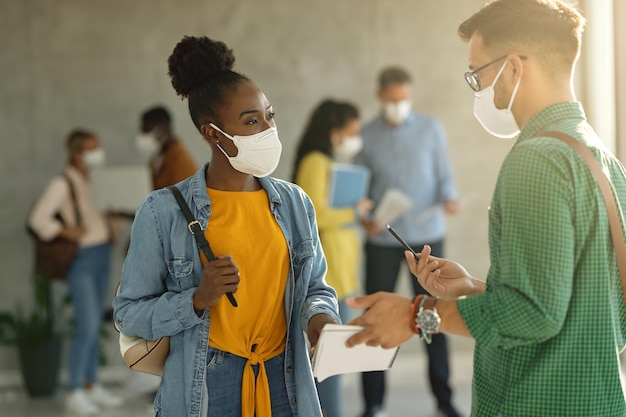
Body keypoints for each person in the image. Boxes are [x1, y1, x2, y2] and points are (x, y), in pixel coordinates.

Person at [346, 1, 626, 416]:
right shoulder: (599, 156)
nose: (478, 88)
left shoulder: (536, 160)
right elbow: (590, 306)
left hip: (535, 402)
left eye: (478, 73)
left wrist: (415, 312)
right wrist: (474, 287)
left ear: (513, 67)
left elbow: (533, 316)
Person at [113, 35, 340, 417]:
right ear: (212, 133)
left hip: (285, 379)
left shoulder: (295, 202)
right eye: (251, 121)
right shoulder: (162, 211)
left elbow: (316, 287)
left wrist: (319, 317)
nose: (268, 129)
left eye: (270, 115)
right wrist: (197, 299)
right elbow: (128, 313)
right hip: (207, 383)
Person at [353, 67, 462, 417]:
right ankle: (373, 404)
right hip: (383, 240)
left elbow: (446, 178)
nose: (399, 105)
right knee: (375, 315)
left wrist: (451, 198)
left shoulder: (431, 129)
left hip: (428, 235)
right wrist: (363, 216)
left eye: (404, 99)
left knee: (437, 315)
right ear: (380, 96)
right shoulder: (365, 136)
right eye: (392, 99)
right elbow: (360, 193)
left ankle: (444, 402)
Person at [28, 129, 123, 416]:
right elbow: (37, 219)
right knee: (87, 324)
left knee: (94, 325)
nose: (98, 153)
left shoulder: (96, 180)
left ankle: (92, 385)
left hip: (101, 254)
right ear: (76, 153)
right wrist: (65, 230)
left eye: (98, 146)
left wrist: (112, 226)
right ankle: (74, 390)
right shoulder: (62, 182)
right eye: (91, 148)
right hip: (80, 258)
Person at [292, 99, 372, 417]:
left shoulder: (327, 162)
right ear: (335, 132)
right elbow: (313, 216)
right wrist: (353, 211)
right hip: (329, 275)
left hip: (341, 271)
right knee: (329, 359)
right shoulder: (315, 162)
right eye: (352, 132)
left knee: (332, 360)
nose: (355, 138)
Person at [135, 105, 198, 190]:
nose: (144, 137)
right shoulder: (157, 159)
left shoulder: (180, 163)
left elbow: (182, 200)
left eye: (147, 131)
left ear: (163, 130)